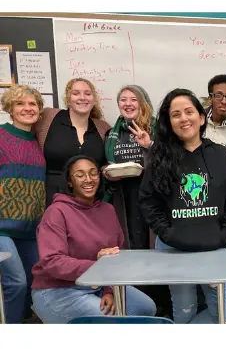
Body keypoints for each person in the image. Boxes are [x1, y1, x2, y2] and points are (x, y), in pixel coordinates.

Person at [138, 89, 226, 324]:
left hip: (214, 247)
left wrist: (224, 233)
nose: (184, 118)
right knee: (185, 308)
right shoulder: (159, 158)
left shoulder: (222, 156)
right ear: (169, 122)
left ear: (201, 117)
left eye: (189, 112)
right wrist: (167, 233)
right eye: (176, 114)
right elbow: (148, 201)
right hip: (173, 247)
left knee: (225, 311)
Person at [31, 155, 156, 323]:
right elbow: (52, 262)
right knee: (114, 323)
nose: (88, 179)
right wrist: (98, 267)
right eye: (80, 175)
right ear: (69, 181)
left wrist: (109, 290)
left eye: (93, 173)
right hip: (57, 290)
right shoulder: (56, 212)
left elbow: (117, 255)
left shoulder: (108, 210)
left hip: (96, 286)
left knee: (146, 308)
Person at [0, 85, 46, 323]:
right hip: (2, 229)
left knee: (36, 283)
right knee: (16, 282)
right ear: (10, 109)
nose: (27, 108)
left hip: (31, 230)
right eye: (20, 104)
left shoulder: (40, 141)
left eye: (32, 104)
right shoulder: (1, 135)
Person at [33, 78, 111, 207]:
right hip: (50, 200)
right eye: (76, 93)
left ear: (94, 100)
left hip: (90, 202)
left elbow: (106, 163)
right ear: (68, 99)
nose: (82, 98)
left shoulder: (103, 128)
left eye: (87, 93)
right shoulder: (48, 117)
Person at [104, 85, 155, 249]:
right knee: (129, 245)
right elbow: (104, 163)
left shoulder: (158, 129)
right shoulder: (111, 133)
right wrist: (106, 172)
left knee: (152, 246)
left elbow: (170, 160)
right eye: (123, 100)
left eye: (134, 99)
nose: (128, 104)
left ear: (143, 103)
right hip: (123, 197)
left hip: (152, 196)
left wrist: (149, 145)